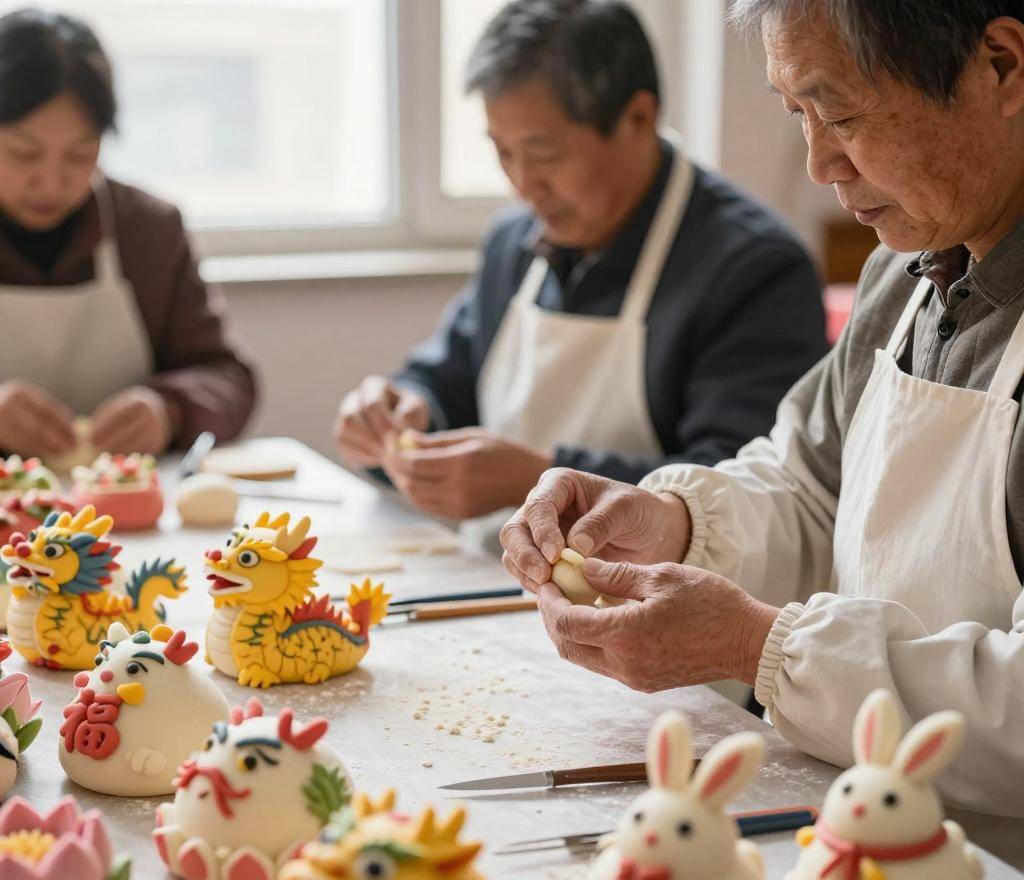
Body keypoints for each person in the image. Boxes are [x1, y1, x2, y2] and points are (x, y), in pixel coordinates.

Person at [501, 0, 1024, 817]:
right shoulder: (911, 267)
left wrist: (758, 645)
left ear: (1001, 65)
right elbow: (810, 487)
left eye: (842, 114)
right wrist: (669, 521)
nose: (818, 164)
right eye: (799, 115)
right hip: (866, 818)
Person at [334, 0, 826, 535]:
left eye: (543, 154)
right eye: (502, 153)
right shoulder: (513, 243)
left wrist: (539, 478)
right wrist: (400, 412)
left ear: (638, 118)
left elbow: (745, 496)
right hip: (490, 575)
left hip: (647, 603)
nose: (523, 184)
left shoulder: (753, 268)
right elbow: (444, 380)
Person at [0, 8, 257, 458]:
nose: (51, 181)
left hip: (131, 514)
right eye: (24, 154)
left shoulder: (148, 231)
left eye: (80, 154)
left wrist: (169, 408)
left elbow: (227, 377)